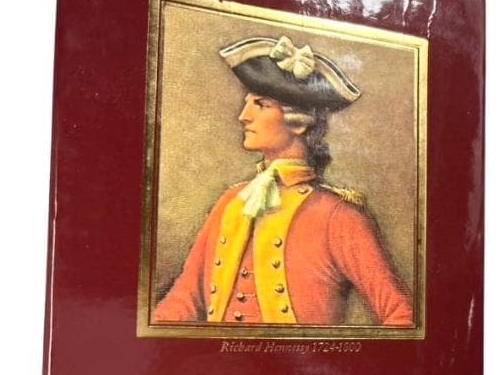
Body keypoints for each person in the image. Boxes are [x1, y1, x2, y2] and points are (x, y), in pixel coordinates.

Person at [155, 35, 413, 326]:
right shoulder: (230, 203)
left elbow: (402, 316)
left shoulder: (338, 216)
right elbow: (182, 302)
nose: (243, 116)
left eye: (260, 104)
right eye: (247, 103)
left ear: (299, 123)